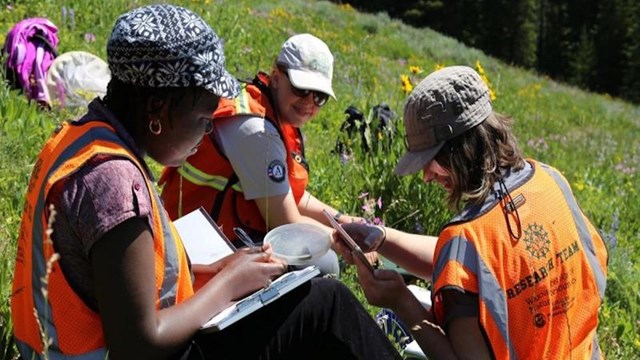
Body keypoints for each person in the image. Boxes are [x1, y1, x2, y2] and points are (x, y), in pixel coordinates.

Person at [10, 5, 401, 359]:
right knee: (325, 302)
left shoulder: (84, 139)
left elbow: (120, 283)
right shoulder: (112, 180)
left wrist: (211, 271)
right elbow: (138, 344)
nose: (206, 134)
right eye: (203, 120)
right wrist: (228, 284)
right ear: (157, 107)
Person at [333, 66, 609, 359]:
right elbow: (480, 262)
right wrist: (381, 237)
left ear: (460, 148)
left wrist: (402, 303)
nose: (426, 175)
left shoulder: (465, 240)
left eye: (431, 159)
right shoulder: (551, 181)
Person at [159, 33, 373, 275]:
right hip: (198, 246)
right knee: (324, 264)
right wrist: (342, 238)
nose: (309, 102)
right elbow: (286, 224)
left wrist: (342, 219)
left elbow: (288, 193)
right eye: (301, 89)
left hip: (209, 227)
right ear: (276, 77)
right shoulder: (257, 131)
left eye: (319, 96)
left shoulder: (267, 107)